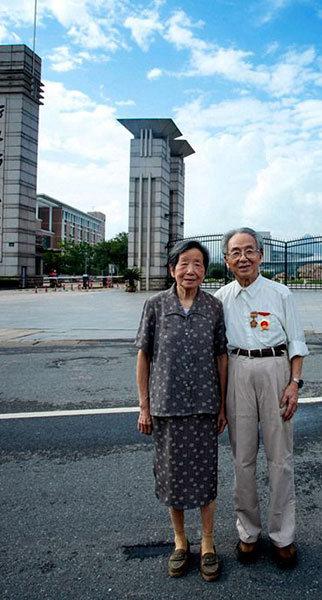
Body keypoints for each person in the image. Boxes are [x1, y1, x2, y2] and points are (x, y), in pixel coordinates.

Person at [214, 227, 309, 570]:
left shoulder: (281, 294)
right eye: (235, 252)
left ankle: (283, 536)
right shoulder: (220, 298)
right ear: (226, 260)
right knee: (242, 459)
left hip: (275, 370)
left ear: (261, 255)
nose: (243, 258)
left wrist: (294, 383)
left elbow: (296, 342)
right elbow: (215, 352)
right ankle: (248, 532)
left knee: (279, 458)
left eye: (249, 251)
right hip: (237, 370)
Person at [135, 240, 228, 582]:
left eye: (198, 264)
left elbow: (221, 356)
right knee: (173, 476)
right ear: (172, 268)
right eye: (184, 264)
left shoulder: (214, 307)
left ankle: (207, 543)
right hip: (166, 406)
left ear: (205, 270)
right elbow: (143, 356)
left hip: (204, 406)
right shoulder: (155, 306)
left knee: (205, 475)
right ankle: (180, 542)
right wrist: (144, 406)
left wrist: (222, 405)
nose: (191, 270)